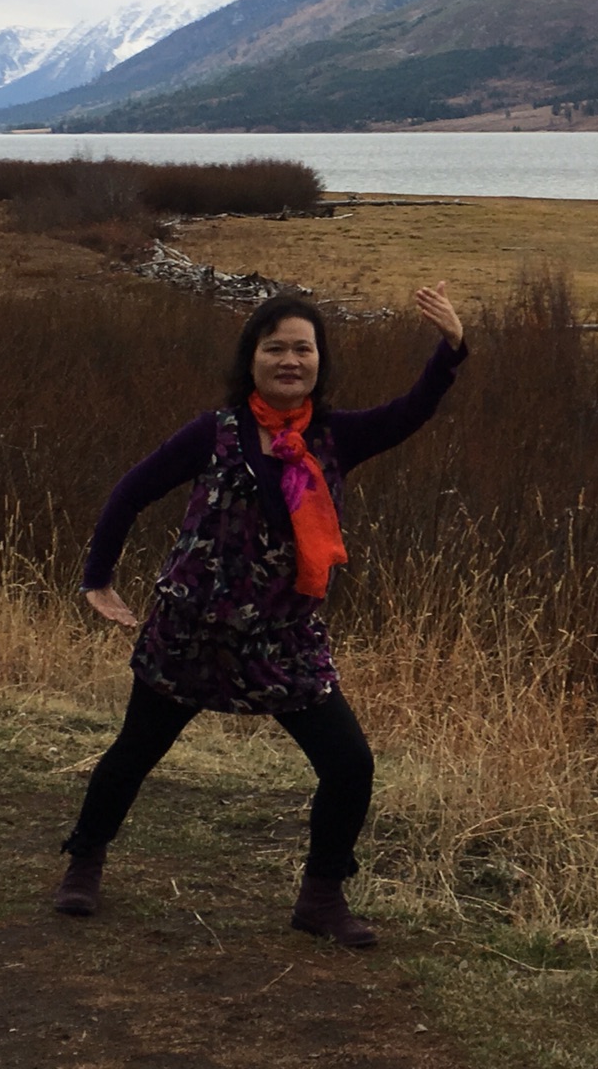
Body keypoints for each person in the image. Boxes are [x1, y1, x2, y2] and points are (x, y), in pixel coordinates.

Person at [53, 285, 467, 947]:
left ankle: (321, 899)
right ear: (252, 358)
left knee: (349, 765)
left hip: (283, 642)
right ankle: (84, 863)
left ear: (319, 361)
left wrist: (450, 348)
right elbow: (129, 493)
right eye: (274, 347)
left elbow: (412, 411)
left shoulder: (336, 438)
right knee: (135, 752)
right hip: (192, 633)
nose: (289, 359)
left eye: (302, 348)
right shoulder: (213, 433)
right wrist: (97, 580)